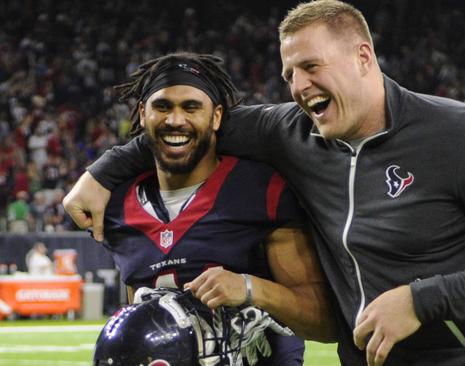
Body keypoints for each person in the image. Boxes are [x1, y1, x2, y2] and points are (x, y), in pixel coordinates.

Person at [63, 1, 465, 365]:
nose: (298, 87)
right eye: (289, 74)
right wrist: (104, 170)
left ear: (363, 57)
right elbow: (187, 128)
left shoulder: (463, 133)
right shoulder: (291, 131)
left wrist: (423, 299)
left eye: (310, 67)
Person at [91, 52, 335, 365]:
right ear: (142, 113)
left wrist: (250, 288)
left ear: (216, 117)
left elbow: (324, 322)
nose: (175, 120)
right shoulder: (115, 209)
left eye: (191, 107)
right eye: (162, 106)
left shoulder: (262, 189)